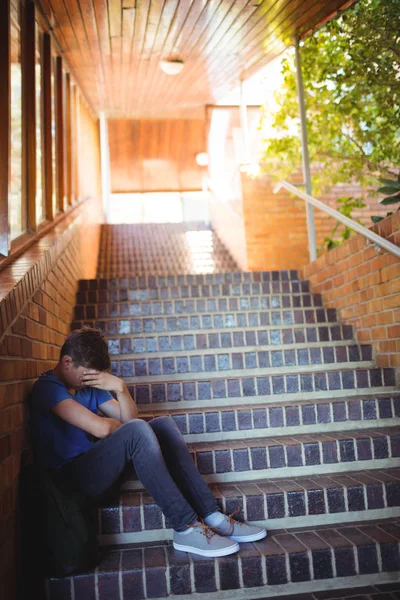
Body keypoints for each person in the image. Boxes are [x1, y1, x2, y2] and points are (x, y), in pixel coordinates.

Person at [30, 326, 267, 558]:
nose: (88, 382)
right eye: (86, 375)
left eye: (94, 377)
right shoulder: (47, 388)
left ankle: (213, 517)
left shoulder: (86, 386)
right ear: (67, 362)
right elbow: (101, 429)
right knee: (135, 431)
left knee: (161, 425)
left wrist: (121, 389)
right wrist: (120, 428)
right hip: (71, 482)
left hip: (97, 471)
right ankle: (185, 528)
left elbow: (132, 422)